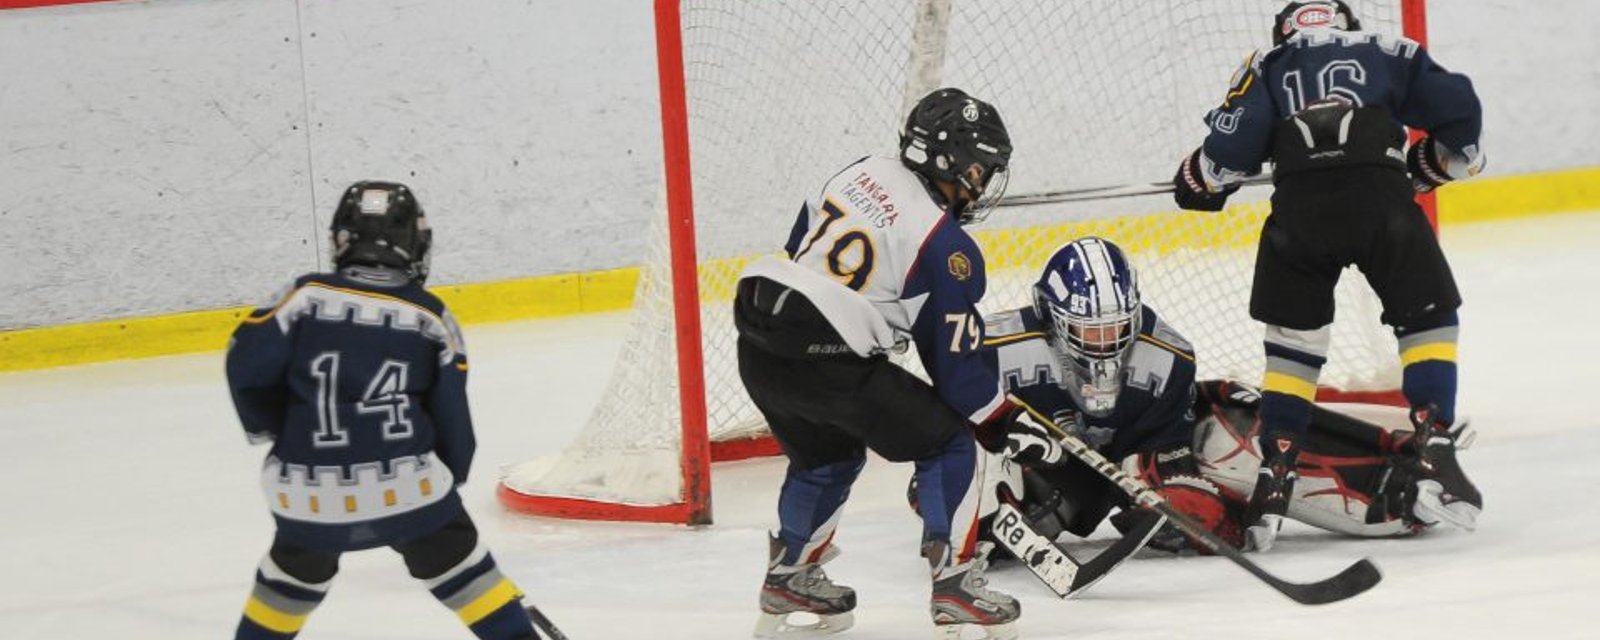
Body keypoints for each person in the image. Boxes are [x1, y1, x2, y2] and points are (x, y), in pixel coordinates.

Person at [733, 87, 1053, 640]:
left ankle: (790, 574)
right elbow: (954, 372)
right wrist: (999, 418)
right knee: (952, 441)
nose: (983, 181)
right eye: (981, 167)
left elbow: (800, 242)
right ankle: (956, 586)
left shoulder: (863, 170)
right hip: (825, 356)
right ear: (953, 161)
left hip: (758, 343)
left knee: (825, 455)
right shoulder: (944, 244)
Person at [1170, 0, 1485, 550]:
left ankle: (1277, 468)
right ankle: (1436, 440)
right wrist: (1433, 165)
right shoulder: (1392, 51)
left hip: (1301, 213)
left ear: (1284, 31)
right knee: (1427, 319)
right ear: (1348, 27)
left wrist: (1197, 182)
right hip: (1383, 204)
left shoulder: (1269, 64)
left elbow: (1227, 154)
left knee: (1294, 344)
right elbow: (1461, 116)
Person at [978, 238, 1481, 560]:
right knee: (999, 500)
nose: (1105, 342)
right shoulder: (995, 349)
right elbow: (950, 429)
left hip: (1133, 458)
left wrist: (1179, 493)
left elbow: (1167, 449)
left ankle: (1398, 488)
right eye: (1090, 330)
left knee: (1236, 441)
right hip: (1049, 469)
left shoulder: (1166, 355)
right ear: (1050, 315)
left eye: (1115, 327)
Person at [225, 181, 544, 640]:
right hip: (409, 489)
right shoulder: (432, 317)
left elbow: (246, 365)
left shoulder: (302, 297)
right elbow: (454, 421)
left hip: (307, 487)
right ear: (416, 245)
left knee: (288, 577)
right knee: (471, 577)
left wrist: (284, 429)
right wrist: (444, 489)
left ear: (341, 239)